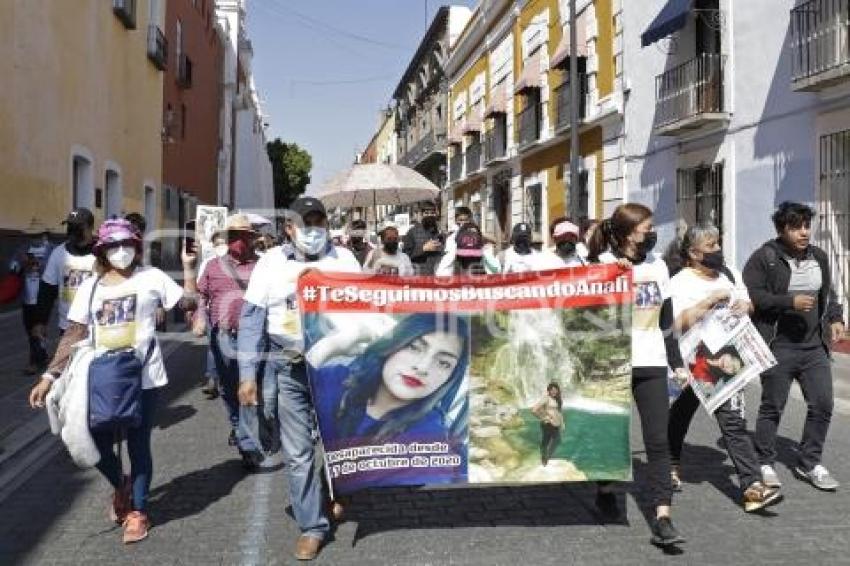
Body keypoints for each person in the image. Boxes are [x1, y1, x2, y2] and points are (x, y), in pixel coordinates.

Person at [28, 218, 185, 544]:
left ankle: (138, 512)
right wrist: (49, 375)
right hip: (101, 379)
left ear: (136, 247)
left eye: (127, 244)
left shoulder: (152, 277)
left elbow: (184, 303)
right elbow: (74, 333)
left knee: (139, 444)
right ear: (103, 250)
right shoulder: (91, 287)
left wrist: (192, 275)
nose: (122, 251)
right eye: (114, 245)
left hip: (144, 377)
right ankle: (121, 483)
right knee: (93, 440)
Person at [237, 197, 361, 561]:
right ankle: (312, 526)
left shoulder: (346, 260)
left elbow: (366, 309)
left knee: (338, 441)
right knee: (298, 452)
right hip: (288, 369)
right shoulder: (270, 264)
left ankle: (335, 486)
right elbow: (251, 319)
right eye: (303, 223)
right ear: (288, 228)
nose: (311, 229)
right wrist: (248, 375)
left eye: (318, 221)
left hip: (335, 367)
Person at [586, 203, 685, 547]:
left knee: (658, 442)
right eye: (647, 227)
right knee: (610, 435)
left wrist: (677, 361)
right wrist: (614, 279)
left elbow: (666, 318)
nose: (653, 232)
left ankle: (663, 517)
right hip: (609, 363)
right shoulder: (598, 266)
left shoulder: (658, 266)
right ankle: (605, 490)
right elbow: (586, 321)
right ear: (629, 233)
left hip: (652, 362)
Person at [667, 224, 782, 513]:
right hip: (693, 363)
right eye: (710, 247)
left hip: (727, 362)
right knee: (680, 415)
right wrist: (707, 302)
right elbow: (674, 324)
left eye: (718, 244)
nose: (717, 250)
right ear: (693, 253)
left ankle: (752, 487)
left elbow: (748, 303)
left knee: (733, 422)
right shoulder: (679, 282)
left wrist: (745, 306)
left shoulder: (730, 273)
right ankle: (671, 462)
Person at [743, 202, 846, 491]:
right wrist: (790, 301)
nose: (804, 232)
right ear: (781, 229)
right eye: (796, 227)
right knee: (773, 406)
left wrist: (835, 317)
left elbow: (830, 292)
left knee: (823, 404)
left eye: (806, 226)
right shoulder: (765, 257)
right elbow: (754, 296)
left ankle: (809, 461)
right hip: (778, 345)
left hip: (814, 346)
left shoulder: (819, 256)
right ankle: (764, 461)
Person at [305, 314, 469, 487]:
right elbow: (287, 407)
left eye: (443, 363)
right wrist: (331, 346)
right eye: (414, 347)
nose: (422, 367)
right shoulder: (338, 380)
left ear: (450, 378)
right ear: (393, 344)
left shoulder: (429, 442)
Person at [184, 214, 264, 470]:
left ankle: (247, 441)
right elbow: (200, 296)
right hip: (223, 336)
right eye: (234, 236)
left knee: (251, 387)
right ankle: (241, 429)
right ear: (227, 239)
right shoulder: (212, 266)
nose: (239, 241)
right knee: (229, 389)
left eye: (244, 236)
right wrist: (197, 318)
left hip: (255, 338)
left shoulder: (263, 267)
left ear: (252, 239)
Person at [35, 208, 97, 337]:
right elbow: (47, 290)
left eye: (78, 227)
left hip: (97, 326)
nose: (73, 231)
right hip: (68, 327)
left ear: (90, 228)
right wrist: (41, 321)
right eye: (70, 226)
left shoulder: (102, 253)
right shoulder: (58, 253)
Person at [8, 219, 54, 374]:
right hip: (27, 297)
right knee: (31, 330)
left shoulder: (51, 250)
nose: (33, 238)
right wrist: (19, 264)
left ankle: (33, 362)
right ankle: (43, 356)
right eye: (31, 236)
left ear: (43, 235)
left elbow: (54, 270)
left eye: (37, 235)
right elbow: (12, 265)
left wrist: (39, 265)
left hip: (43, 296)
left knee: (37, 329)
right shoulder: (23, 249)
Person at [196, 233, 228, 399]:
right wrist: (200, 315)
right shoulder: (208, 264)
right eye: (217, 244)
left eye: (223, 243)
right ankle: (212, 379)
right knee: (213, 345)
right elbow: (201, 290)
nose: (221, 246)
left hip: (231, 312)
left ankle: (228, 379)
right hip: (212, 312)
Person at [435, 222, 501, 276]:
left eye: (474, 258)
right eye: (465, 258)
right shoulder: (450, 258)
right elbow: (441, 276)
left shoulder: (486, 255)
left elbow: (497, 270)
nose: (469, 261)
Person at [402, 203, 444, 276]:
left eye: (432, 213)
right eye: (426, 213)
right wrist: (423, 248)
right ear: (421, 214)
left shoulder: (440, 233)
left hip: (437, 274)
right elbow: (405, 256)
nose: (429, 215)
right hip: (419, 275)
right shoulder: (412, 232)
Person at [532, 383, 564, 466]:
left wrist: (562, 422)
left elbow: (559, 412)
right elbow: (534, 410)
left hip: (555, 423)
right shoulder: (546, 399)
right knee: (547, 441)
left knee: (556, 440)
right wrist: (543, 418)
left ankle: (546, 457)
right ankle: (545, 458)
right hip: (547, 424)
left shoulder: (557, 399)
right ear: (548, 391)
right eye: (552, 390)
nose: (554, 392)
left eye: (555, 390)